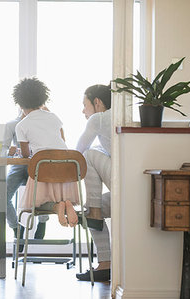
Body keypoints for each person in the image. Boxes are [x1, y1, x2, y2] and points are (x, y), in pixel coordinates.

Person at [14, 77, 79, 227]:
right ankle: (65, 203)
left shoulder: (22, 125)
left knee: (33, 205)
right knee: (49, 197)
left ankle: (57, 207)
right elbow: (62, 141)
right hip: (66, 172)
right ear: (42, 99)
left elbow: (25, 154)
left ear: (19, 103)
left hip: (43, 172)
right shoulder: (54, 117)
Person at [75, 84, 112, 282]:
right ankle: (105, 264)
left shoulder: (99, 118)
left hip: (125, 185)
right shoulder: (121, 116)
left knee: (89, 153)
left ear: (97, 102)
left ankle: (106, 263)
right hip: (134, 186)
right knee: (89, 211)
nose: (83, 110)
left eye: (84, 104)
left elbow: (79, 151)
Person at [2, 109, 49, 240]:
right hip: (18, 166)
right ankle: (16, 228)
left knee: (44, 192)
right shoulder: (12, 125)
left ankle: (43, 222)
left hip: (38, 166)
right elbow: (3, 149)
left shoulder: (43, 123)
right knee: (2, 197)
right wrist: (8, 152)